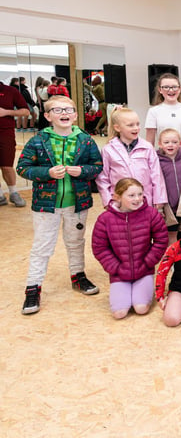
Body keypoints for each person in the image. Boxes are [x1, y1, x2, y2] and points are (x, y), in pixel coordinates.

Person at [17, 95, 103, 314]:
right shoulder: (38, 140)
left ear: (75, 114)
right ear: (47, 116)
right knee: (42, 245)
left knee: (75, 241)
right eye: (57, 110)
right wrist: (46, 173)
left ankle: (78, 275)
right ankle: (33, 287)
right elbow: (23, 167)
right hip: (46, 204)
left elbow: (97, 165)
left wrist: (83, 171)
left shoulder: (85, 139)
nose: (64, 113)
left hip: (78, 202)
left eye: (68, 110)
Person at [91, 178, 169, 319]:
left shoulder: (151, 214)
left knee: (141, 309)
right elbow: (100, 248)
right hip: (119, 273)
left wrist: (148, 262)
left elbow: (161, 240)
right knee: (119, 313)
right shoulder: (105, 219)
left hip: (144, 269)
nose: (137, 199)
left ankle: (144, 289)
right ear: (118, 197)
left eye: (140, 194)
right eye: (131, 195)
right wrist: (115, 268)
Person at [96, 107, 167, 209]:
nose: (136, 128)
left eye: (137, 124)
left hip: (144, 201)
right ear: (117, 128)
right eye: (130, 125)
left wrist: (159, 199)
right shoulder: (108, 150)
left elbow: (157, 175)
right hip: (119, 203)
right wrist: (107, 201)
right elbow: (103, 178)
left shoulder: (147, 147)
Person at [144, 73, 181, 150]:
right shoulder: (153, 111)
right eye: (166, 87)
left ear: (179, 89)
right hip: (165, 152)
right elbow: (149, 142)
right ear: (160, 90)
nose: (171, 90)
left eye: (174, 87)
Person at [0, 80, 30, 207]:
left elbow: (26, 111)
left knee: (6, 165)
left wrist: (6, 112)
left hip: (5, 133)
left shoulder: (10, 91)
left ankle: (13, 193)